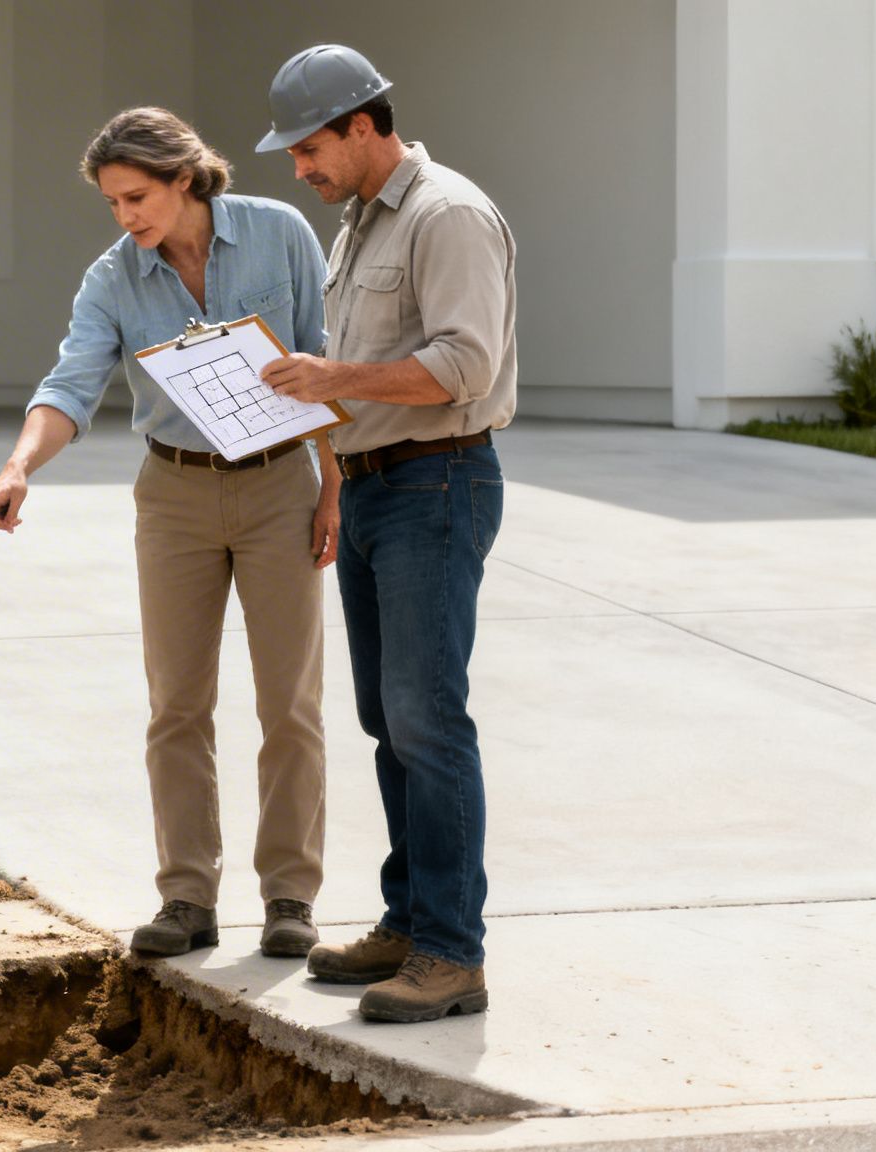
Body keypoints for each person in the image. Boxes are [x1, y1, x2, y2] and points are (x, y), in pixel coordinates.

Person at [0, 107, 340, 960]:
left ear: (185, 178)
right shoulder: (113, 279)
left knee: (291, 702)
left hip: (282, 483)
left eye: (138, 196)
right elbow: (72, 383)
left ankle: (289, 895)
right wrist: (19, 466)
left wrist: (333, 491)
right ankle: (186, 898)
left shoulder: (281, 234)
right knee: (177, 704)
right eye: (112, 204)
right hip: (173, 494)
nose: (127, 217)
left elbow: (326, 356)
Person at [254, 45, 517, 1023]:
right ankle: (410, 921)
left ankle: (452, 954)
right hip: (369, 489)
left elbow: (461, 364)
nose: (298, 168)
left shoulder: (445, 214)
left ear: (363, 125)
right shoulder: (361, 224)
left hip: (434, 483)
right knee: (386, 721)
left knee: (427, 720)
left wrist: (333, 381)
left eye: (308, 148)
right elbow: (358, 368)